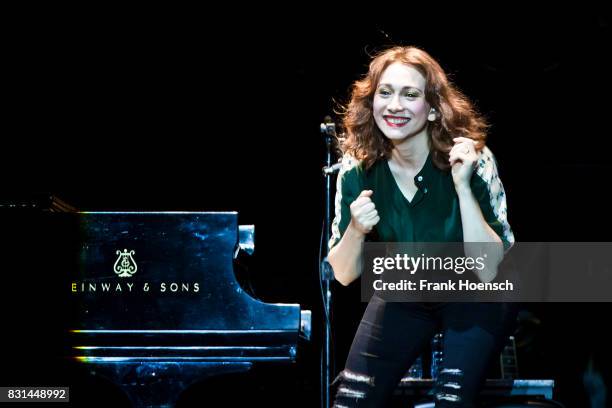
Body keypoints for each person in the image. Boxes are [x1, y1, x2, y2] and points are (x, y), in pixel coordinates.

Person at [328, 46, 519, 407]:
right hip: (407, 283)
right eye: (385, 93)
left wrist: (462, 188)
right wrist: (356, 228)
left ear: (432, 108)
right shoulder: (357, 168)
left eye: (409, 94)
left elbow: (488, 268)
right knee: (351, 400)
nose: (394, 105)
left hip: (476, 290)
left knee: (450, 400)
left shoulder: (472, 159)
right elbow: (343, 274)